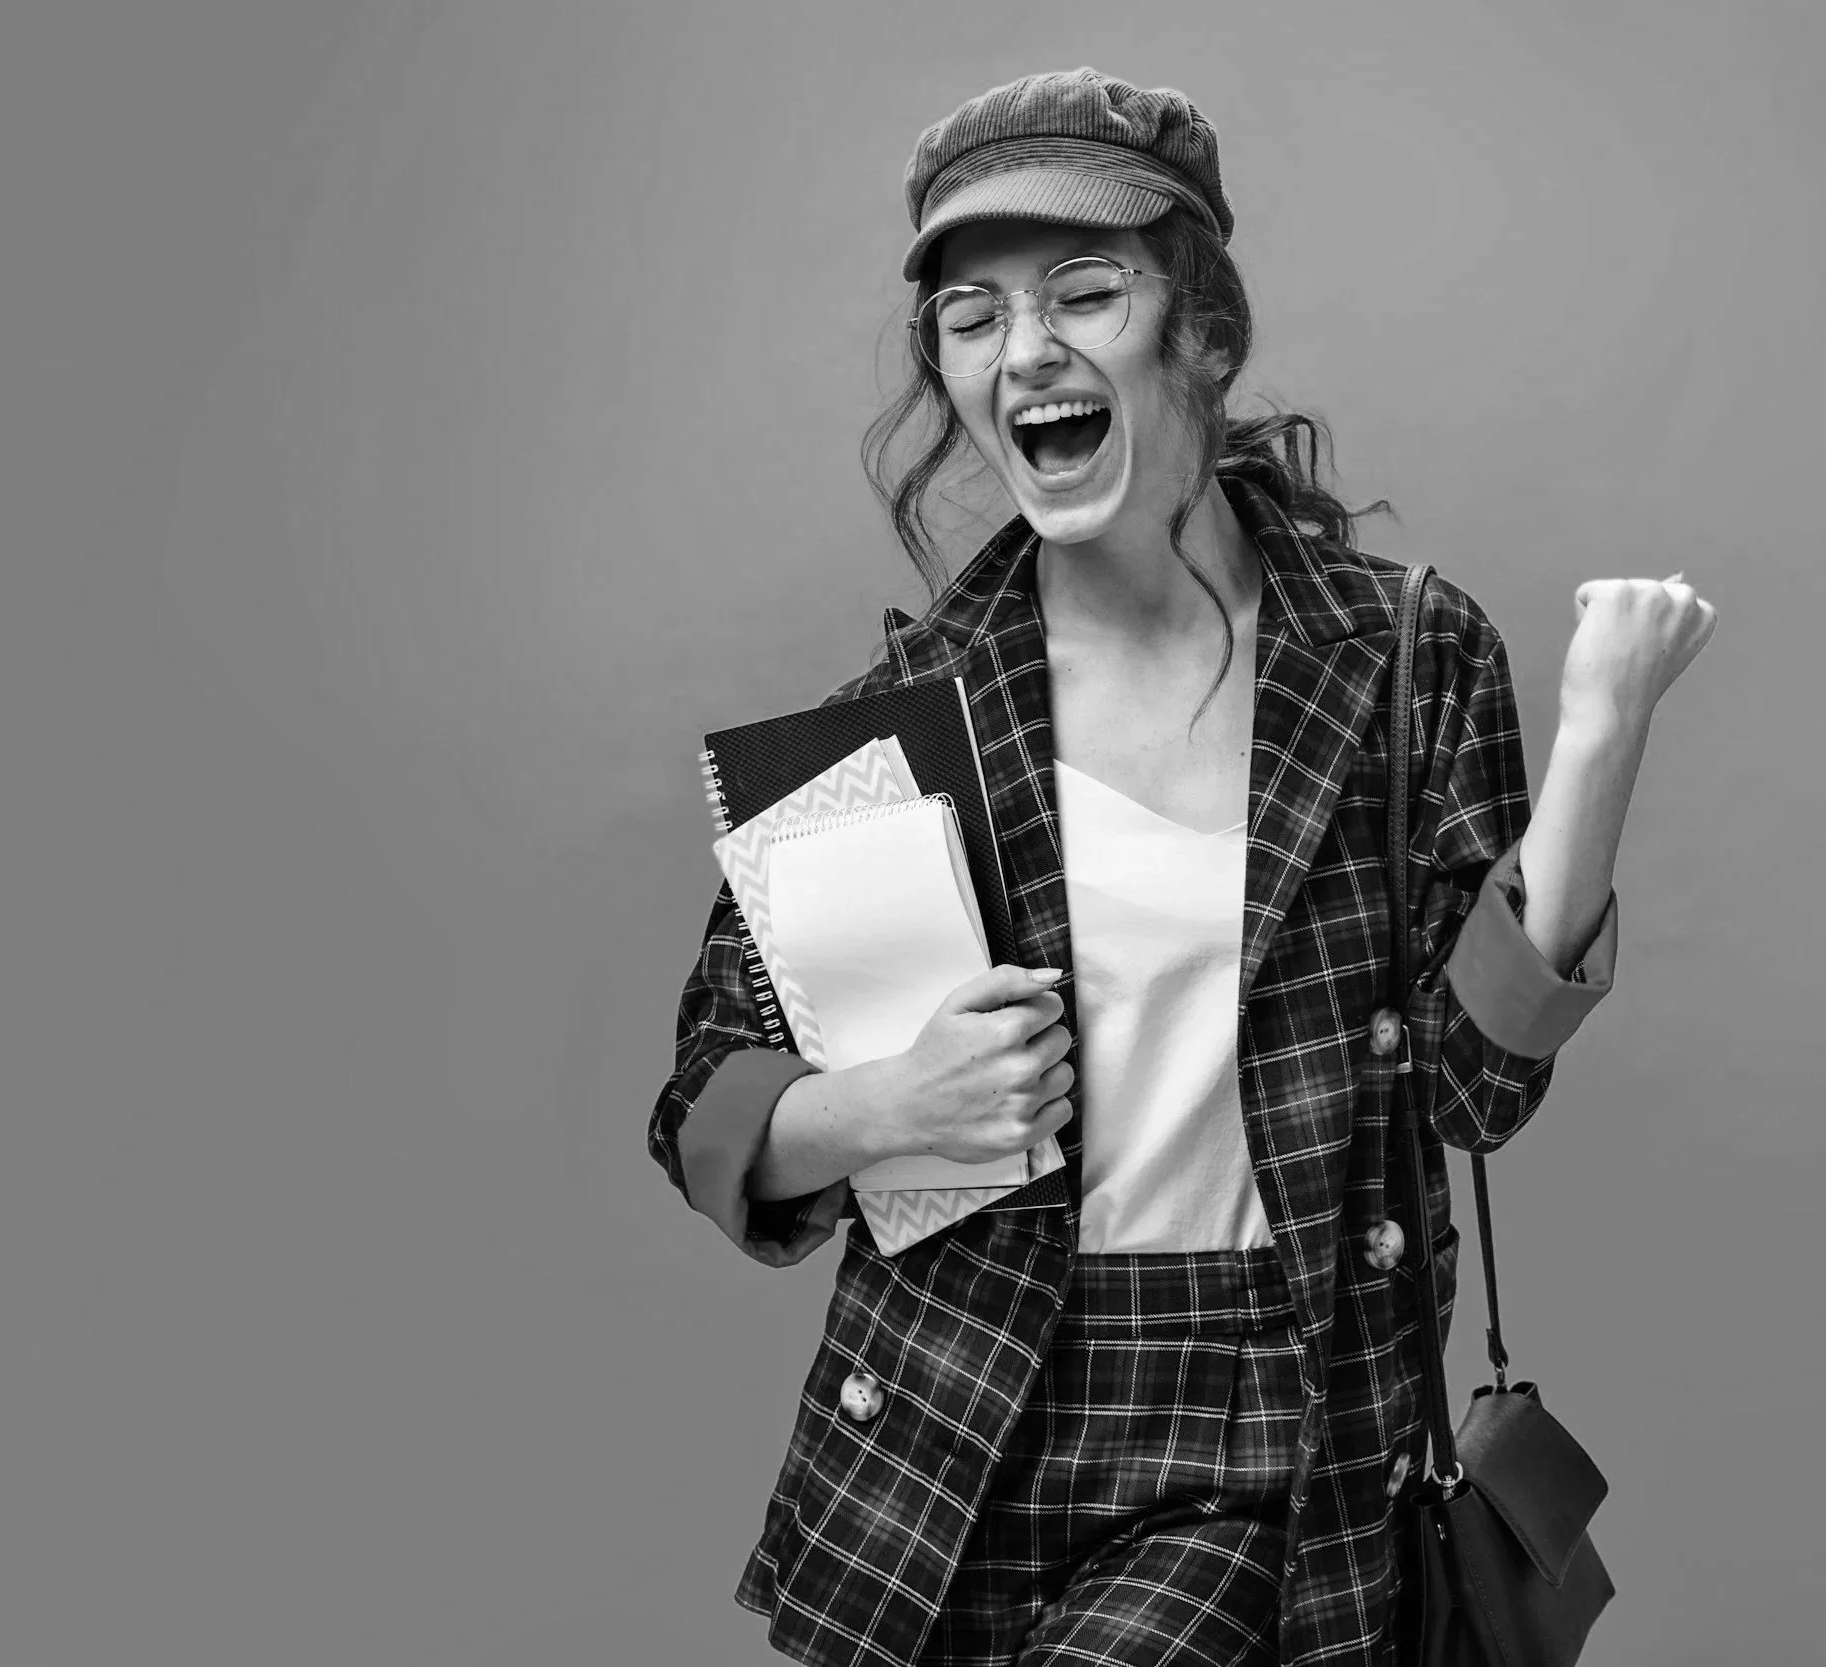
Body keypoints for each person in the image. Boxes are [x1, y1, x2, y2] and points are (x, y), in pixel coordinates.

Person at [647, 67, 1715, 1667]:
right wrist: (890, 1108)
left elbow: (1473, 1094)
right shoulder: (903, 715)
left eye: (1087, 291)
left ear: (1204, 332)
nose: (1027, 353)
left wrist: (1603, 739)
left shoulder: (1402, 658)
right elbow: (705, 1102)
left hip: (1266, 1412)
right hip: (953, 1414)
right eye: (972, 318)